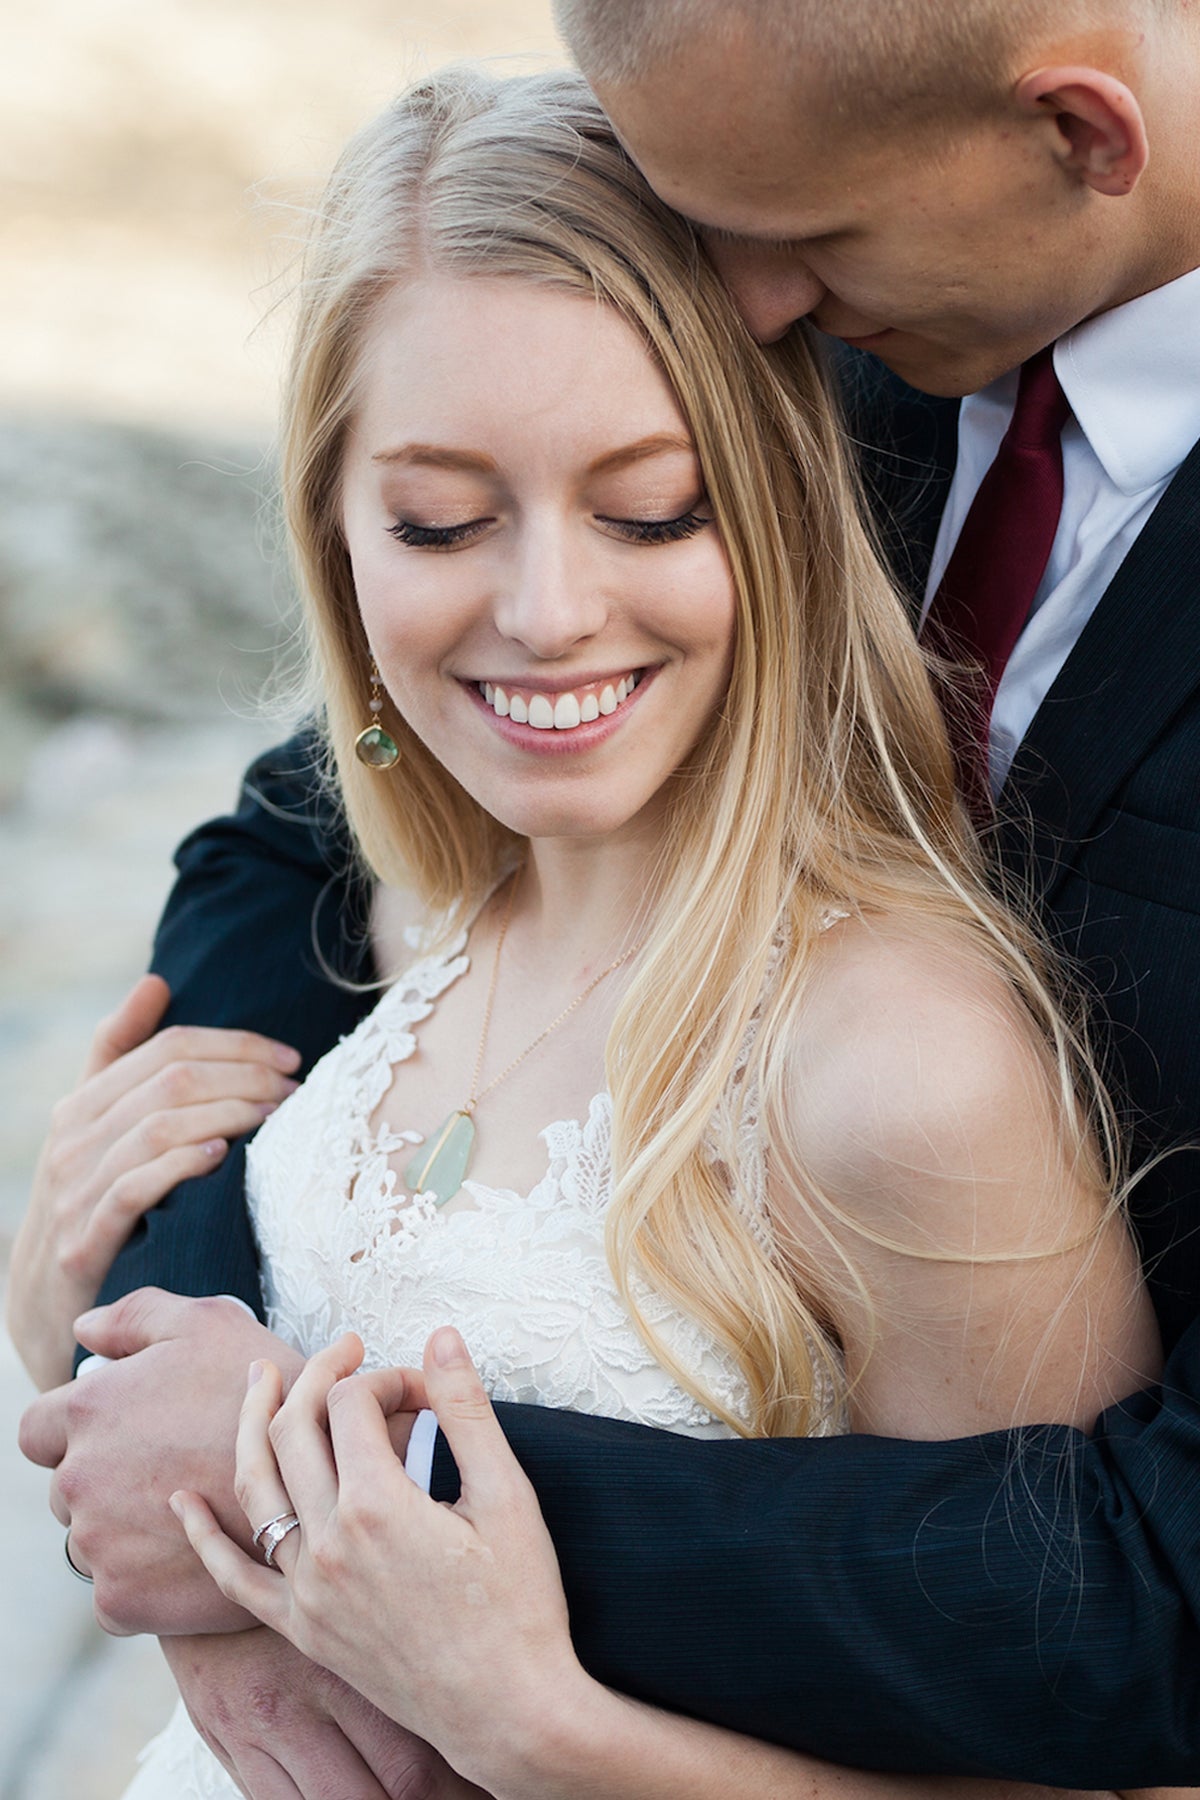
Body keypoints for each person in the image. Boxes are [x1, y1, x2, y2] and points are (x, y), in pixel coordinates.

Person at [15, 0, 1200, 1787]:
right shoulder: (851, 326)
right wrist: (133, 1331)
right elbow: (315, 818)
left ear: (1081, 135)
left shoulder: (916, 1070)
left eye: (656, 512)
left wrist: (290, 1498)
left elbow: (1109, 1617)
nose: (760, 304)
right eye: (429, 522)